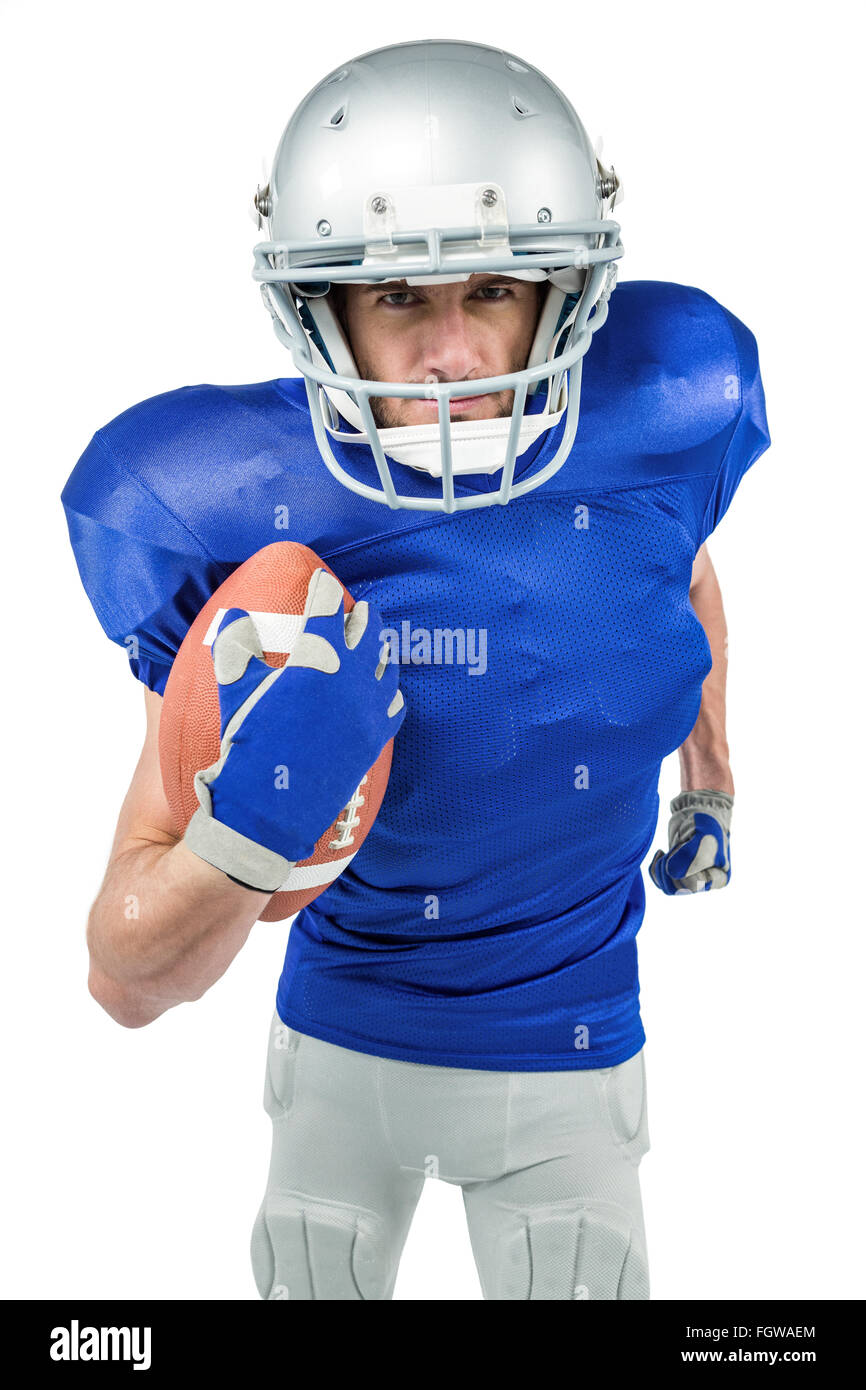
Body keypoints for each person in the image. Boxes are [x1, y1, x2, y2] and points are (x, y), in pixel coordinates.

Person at [61, 39, 769, 1300]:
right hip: (345, 1045)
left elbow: (684, 565)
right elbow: (122, 977)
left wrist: (707, 784)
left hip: (573, 1047)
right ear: (314, 308)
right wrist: (241, 838)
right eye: (394, 299)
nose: (449, 355)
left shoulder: (666, 415)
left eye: (491, 287)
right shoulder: (241, 524)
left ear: (566, 292)